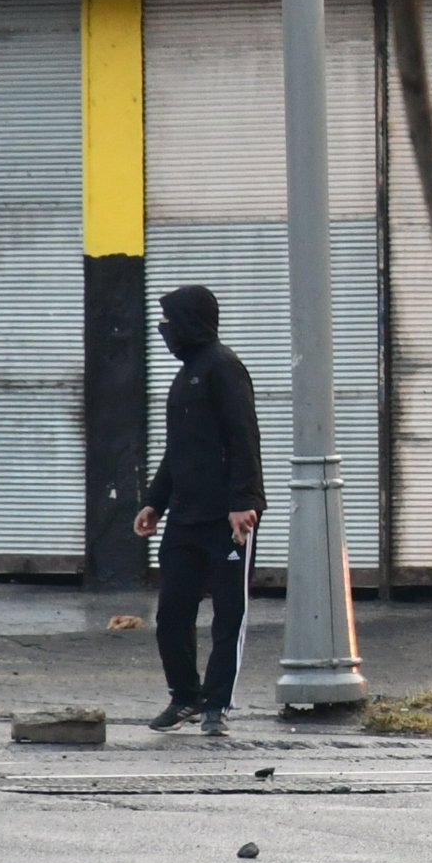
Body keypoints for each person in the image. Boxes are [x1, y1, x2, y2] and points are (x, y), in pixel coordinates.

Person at [134, 285, 265, 738]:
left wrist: (242, 503)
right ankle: (185, 695)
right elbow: (179, 450)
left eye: (170, 320)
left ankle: (217, 704)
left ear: (190, 320)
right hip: (185, 516)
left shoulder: (223, 368)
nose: (164, 329)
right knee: (172, 612)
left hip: (228, 519)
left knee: (229, 613)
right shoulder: (186, 374)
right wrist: (155, 500)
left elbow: (244, 438)